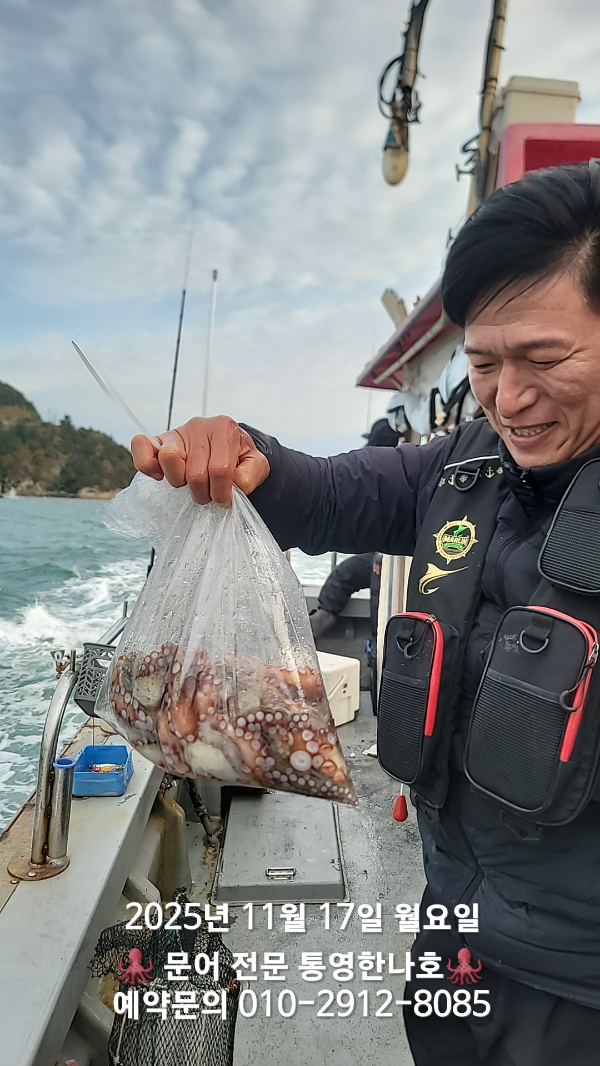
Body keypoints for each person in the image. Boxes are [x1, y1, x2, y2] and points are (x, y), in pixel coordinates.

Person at [132, 161, 600, 1065]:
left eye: (545, 360)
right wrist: (238, 451)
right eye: (484, 364)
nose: (509, 397)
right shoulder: (460, 467)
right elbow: (323, 493)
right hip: (454, 945)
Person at [309, 416, 401, 641]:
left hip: (398, 570)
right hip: (383, 562)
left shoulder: (388, 481)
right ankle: (321, 618)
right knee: (345, 574)